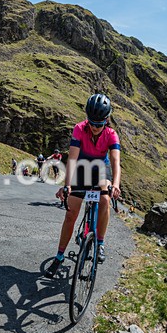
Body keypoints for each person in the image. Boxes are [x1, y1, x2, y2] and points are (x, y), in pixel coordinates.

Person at [45, 93, 121, 277]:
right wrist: (67, 185)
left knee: (104, 200)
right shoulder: (79, 129)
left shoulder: (111, 135)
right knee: (71, 213)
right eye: (92, 123)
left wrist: (116, 185)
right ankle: (59, 256)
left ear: (106, 120)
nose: (95, 127)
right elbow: (71, 159)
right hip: (81, 167)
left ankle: (100, 243)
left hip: (101, 168)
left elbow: (115, 162)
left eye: (99, 124)